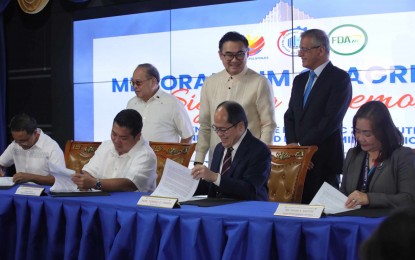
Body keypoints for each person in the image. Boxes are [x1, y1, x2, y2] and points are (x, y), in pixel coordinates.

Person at [284, 28, 352, 203]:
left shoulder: (339, 78)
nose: (299, 54)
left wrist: (303, 149)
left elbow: (330, 120)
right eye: (299, 50)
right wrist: (295, 148)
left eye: (304, 50)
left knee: (324, 217)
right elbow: (289, 115)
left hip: (324, 161)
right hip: (298, 162)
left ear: (320, 50)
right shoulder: (299, 80)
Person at [195, 31, 276, 165]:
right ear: (220, 55)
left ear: (248, 53)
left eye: (240, 54)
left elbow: (268, 124)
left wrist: (261, 156)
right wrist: (199, 160)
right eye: (229, 55)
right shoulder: (210, 82)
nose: (234, 60)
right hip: (217, 160)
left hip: (248, 160)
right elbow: (205, 125)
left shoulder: (260, 82)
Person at [340, 101, 415, 209]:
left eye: (367, 134)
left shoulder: (403, 156)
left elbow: (409, 199)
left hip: (386, 222)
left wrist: (369, 198)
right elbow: (343, 193)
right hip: (352, 221)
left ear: (383, 132)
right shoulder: (352, 154)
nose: (360, 138)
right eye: (357, 131)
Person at [191, 101, 271, 201]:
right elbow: (213, 185)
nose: (219, 134)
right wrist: (186, 184)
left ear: (240, 126)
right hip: (216, 209)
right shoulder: (219, 148)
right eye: (216, 128)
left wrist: (214, 177)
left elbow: (249, 190)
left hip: (248, 211)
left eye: (223, 129)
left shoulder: (259, 151)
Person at [71, 109, 157, 192]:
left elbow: (129, 184)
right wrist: (82, 181)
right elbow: (89, 172)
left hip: (130, 205)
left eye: (123, 138)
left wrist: (95, 183)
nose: (116, 141)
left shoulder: (146, 155)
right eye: (114, 134)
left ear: (138, 136)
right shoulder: (106, 145)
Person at [127, 63, 194, 143]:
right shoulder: (131, 104)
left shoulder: (172, 103)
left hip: (165, 156)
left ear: (153, 81)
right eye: (132, 83)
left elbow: (187, 136)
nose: (135, 86)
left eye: (138, 82)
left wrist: (177, 155)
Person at [0, 113, 65, 185]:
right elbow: (1, 162)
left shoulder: (52, 148)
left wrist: (31, 177)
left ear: (35, 133)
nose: (19, 144)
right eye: (15, 140)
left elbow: (60, 179)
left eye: (23, 140)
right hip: (20, 191)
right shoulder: (15, 144)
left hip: (45, 192)